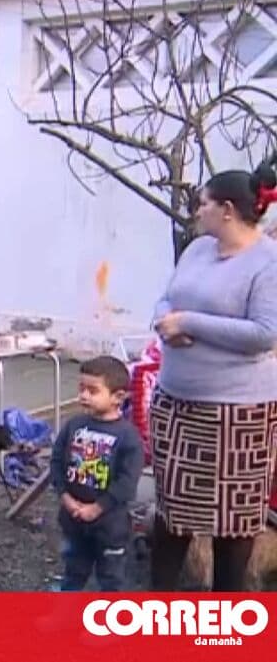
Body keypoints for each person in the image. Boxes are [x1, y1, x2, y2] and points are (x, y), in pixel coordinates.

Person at [149, 161, 277, 591]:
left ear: (226, 209)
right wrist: (164, 319)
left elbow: (265, 333)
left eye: (201, 203)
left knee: (232, 526)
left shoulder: (268, 262)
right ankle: (158, 612)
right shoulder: (197, 249)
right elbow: (166, 297)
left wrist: (189, 323)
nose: (195, 211)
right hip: (177, 404)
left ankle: (223, 623)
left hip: (237, 417)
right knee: (172, 516)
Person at [50, 356, 143, 591]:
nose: (84, 396)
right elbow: (57, 461)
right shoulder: (74, 425)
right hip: (73, 519)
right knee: (73, 571)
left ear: (118, 397)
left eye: (93, 391)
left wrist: (97, 508)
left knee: (111, 579)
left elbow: (127, 482)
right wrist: (66, 498)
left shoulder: (128, 436)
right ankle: (65, 619)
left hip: (110, 525)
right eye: (81, 388)